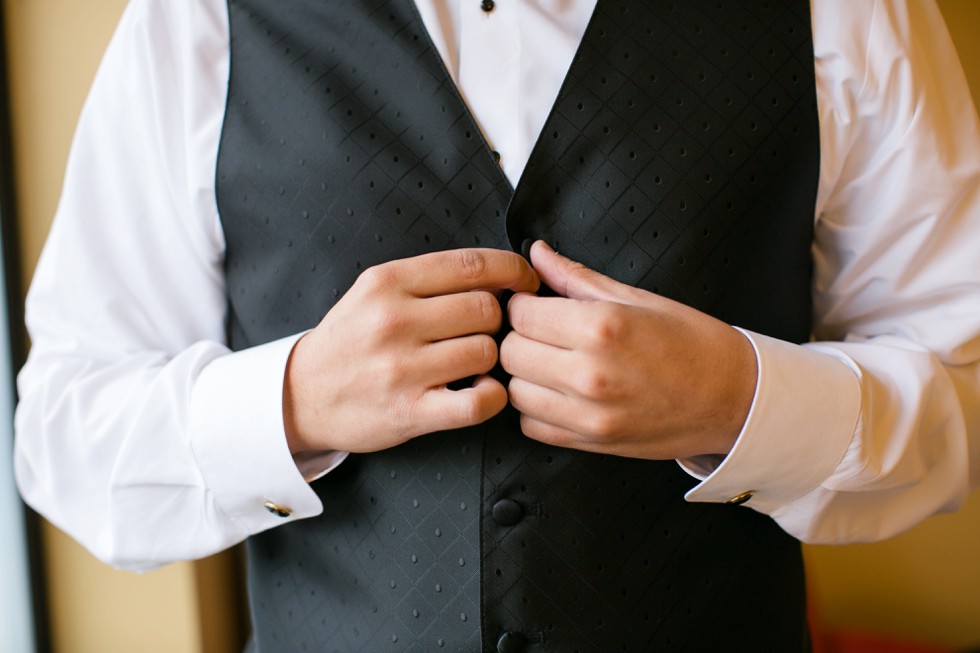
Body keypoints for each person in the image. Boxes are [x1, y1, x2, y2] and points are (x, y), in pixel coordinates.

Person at [14, 0, 980, 650]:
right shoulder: (194, 19)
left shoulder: (850, 13)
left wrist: (742, 401)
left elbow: (966, 392)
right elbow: (65, 431)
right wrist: (295, 400)